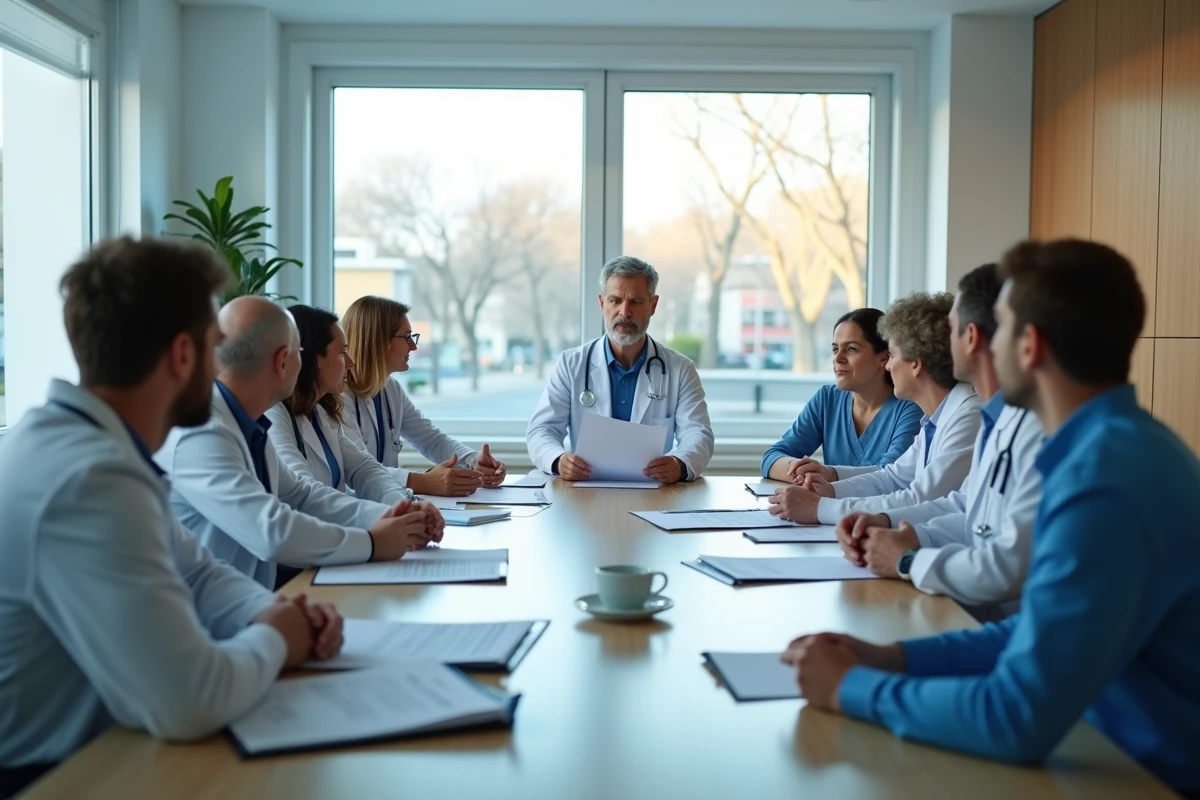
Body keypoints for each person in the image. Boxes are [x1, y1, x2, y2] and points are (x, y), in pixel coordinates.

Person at [781, 239, 1200, 797]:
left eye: (996, 327)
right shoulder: (1110, 448)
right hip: (1097, 735)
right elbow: (1035, 632)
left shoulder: (1104, 481)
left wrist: (853, 689)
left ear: (1027, 346)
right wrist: (890, 656)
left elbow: (1014, 717)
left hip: (1139, 772)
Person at [0, 237, 343, 798]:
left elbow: (199, 570)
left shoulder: (87, 448)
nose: (222, 366)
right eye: (216, 347)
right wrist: (279, 637)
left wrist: (280, 610)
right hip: (61, 778)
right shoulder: (87, 479)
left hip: (105, 754)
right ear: (183, 356)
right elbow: (190, 699)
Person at [156, 296, 445, 590]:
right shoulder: (203, 433)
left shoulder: (247, 423)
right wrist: (373, 542)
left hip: (247, 601)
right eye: (300, 353)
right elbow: (273, 532)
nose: (350, 362)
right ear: (283, 361)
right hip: (216, 616)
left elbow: (302, 495)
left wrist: (396, 514)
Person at [834, 264, 1044, 620]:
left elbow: (1006, 566)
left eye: (950, 329)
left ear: (972, 337)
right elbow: (968, 510)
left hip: (1003, 623)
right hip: (985, 615)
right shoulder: (998, 417)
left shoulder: (1020, 424)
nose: (941, 344)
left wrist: (908, 558)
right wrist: (894, 528)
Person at [768, 292, 980, 525]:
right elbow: (892, 478)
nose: (888, 366)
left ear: (916, 365)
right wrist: (829, 490)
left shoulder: (968, 417)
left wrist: (821, 508)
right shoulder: (936, 418)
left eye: (893, 356)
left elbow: (921, 497)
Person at [526, 256, 714, 483]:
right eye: (615, 300)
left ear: (652, 306)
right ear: (601, 303)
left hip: (654, 494)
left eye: (635, 301)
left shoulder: (680, 369)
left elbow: (699, 434)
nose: (624, 312)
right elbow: (541, 430)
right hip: (586, 492)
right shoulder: (571, 364)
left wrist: (679, 463)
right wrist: (558, 459)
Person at [341, 295, 505, 497]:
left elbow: (431, 440)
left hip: (388, 504)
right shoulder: (339, 397)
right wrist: (423, 482)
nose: (413, 346)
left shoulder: (390, 389)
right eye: (407, 337)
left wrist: (473, 461)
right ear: (380, 341)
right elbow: (355, 471)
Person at [266, 305, 414, 504]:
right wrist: (384, 515)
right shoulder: (274, 415)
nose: (350, 362)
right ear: (315, 358)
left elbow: (364, 469)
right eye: (342, 352)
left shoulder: (321, 412)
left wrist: (399, 504)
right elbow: (304, 492)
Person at [761, 308, 922, 482]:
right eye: (835, 349)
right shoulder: (826, 399)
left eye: (851, 349)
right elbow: (771, 458)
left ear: (884, 358)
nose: (838, 358)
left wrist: (827, 474)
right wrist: (805, 473)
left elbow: (892, 475)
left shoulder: (910, 408)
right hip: (827, 508)